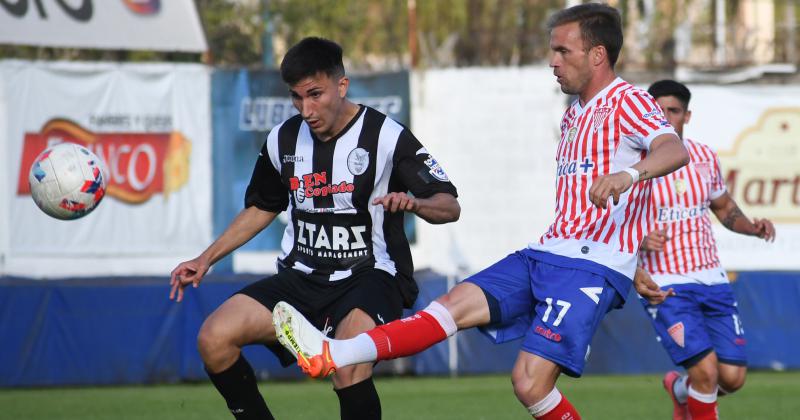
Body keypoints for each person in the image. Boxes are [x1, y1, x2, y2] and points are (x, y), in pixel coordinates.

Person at [271, 4, 690, 419]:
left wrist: (628, 176)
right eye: (552, 51)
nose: (552, 61)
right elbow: (592, 210)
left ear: (597, 54)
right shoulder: (574, 114)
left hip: (589, 266)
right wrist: (632, 262)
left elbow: (674, 149)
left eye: (563, 51)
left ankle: (336, 351)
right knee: (453, 305)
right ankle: (334, 353)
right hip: (550, 251)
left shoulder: (628, 100)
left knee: (529, 383)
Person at [169, 37, 460, 420]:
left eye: (315, 94)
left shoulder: (385, 137)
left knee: (346, 364)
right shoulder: (283, 140)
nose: (306, 109)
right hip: (300, 279)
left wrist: (416, 203)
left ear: (342, 86)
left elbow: (449, 205)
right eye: (296, 97)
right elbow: (261, 207)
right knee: (214, 338)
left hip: (369, 276)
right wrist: (205, 259)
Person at [638, 80, 776, 420]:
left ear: (687, 115)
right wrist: (640, 239)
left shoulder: (703, 156)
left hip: (713, 280)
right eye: (658, 111)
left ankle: (678, 389)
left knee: (732, 377)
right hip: (665, 283)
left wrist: (752, 227)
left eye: (673, 111)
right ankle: (691, 389)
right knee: (707, 372)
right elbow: (609, 222)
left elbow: (724, 207)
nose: (665, 118)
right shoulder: (635, 164)